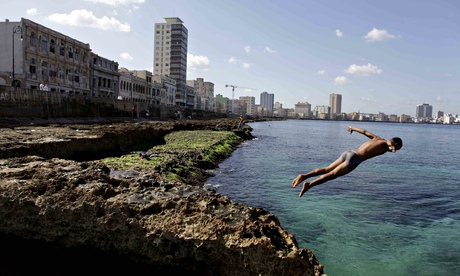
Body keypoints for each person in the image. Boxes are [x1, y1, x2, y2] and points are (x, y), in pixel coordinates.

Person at [292, 126, 403, 197]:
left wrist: (352, 128)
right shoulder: (388, 144)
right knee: (331, 175)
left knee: (327, 169)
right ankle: (309, 185)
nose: (394, 151)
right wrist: (393, 148)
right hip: (355, 159)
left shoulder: (378, 138)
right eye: (397, 148)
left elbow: (364, 132)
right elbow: (390, 143)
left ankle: (304, 176)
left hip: (349, 152)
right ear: (396, 144)